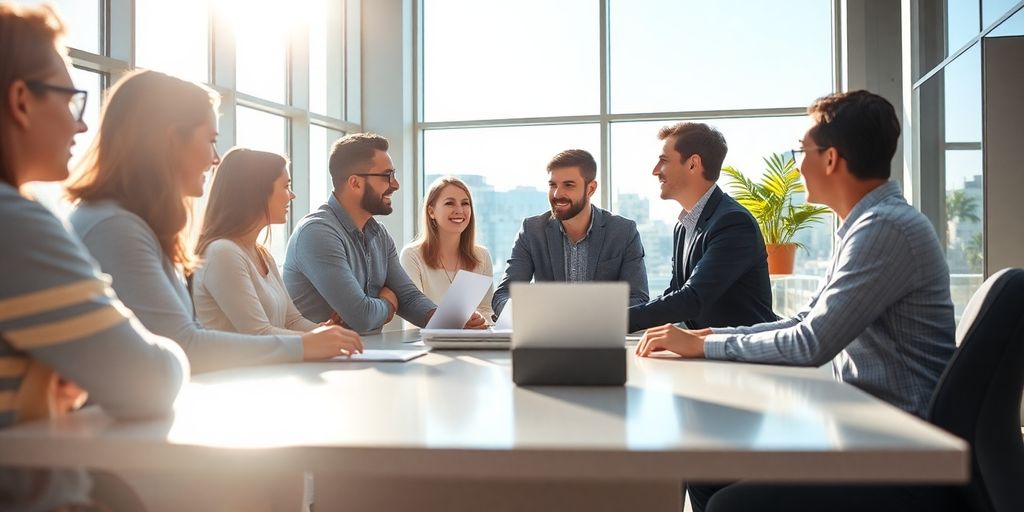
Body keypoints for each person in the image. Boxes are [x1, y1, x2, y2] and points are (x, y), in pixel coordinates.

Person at [636, 91, 957, 512]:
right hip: (864, 429)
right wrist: (709, 336)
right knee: (707, 467)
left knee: (727, 501)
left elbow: (811, 343)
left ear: (830, 159)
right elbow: (805, 318)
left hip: (894, 454)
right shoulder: (866, 225)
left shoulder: (884, 229)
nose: (797, 163)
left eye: (801, 150)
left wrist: (705, 344)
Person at [0, 5, 188, 510]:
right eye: (71, 100)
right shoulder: (15, 224)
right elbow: (148, 378)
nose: (80, 127)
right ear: (21, 100)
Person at [66, 70, 362, 375]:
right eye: (210, 140)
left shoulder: (135, 228)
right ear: (171, 142)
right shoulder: (116, 228)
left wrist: (319, 339)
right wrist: (306, 345)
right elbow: (186, 345)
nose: (215, 158)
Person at [284, 133, 486, 334]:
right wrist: (388, 303)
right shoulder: (317, 233)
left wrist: (451, 320)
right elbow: (361, 316)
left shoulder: (378, 234)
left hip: (365, 355)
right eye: (387, 176)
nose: (395, 184)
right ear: (355, 183)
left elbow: (408, 297)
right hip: (321, 362)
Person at [192, 147, 360, 343]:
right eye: (285, 186)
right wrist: (319, 338)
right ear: (257, 192)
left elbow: (292, 321)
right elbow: (258, 334)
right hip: (235, 373)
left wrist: (325, 332)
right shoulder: (222, 253)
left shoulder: (262, 254)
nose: (292, 195)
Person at [627, 122, 776, 332]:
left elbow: (692, 298)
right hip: (706, 354)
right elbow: (675, 293)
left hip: (744, 357)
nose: (655, 171)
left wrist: (614, 320)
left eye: (663, 161)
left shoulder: (733, 222)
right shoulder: (683, 226)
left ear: (692, 164)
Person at [492, 149, 649, 315]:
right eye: (553, 185)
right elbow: (503, 296)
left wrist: (584, 315)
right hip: (548, 335)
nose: (557, 194)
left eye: (568, 185)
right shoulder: (532, 230)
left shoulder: (623, 231)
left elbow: (638, 298)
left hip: (601, 336)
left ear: (590, 189)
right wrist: (534, 312)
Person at [400, 176, 495, 322]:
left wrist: (480, 320)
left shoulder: (482, 256)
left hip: (472, 341)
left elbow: (486, 310)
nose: (459, 210)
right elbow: (415, 312)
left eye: (465, 203)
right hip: (426, 342)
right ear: (431, 212)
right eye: (450, 203)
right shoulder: (412, 256)